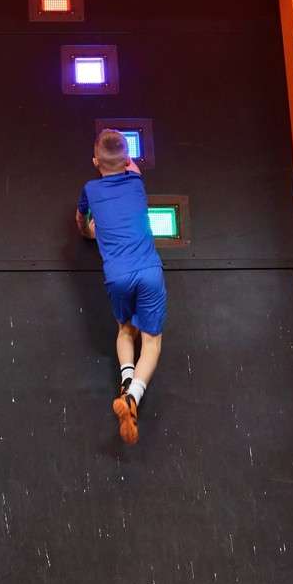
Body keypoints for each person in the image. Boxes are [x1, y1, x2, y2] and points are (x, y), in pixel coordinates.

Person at [75, 129, 167, 445]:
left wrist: (91, 231)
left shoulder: (89, 188)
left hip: (117, 275)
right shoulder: (136, 181)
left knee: (125, 330)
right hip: (149, 272)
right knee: (152, 342)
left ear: (94, 161)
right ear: (128, 160)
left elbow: (82, 224)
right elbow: (129, 166)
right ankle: (132, 398)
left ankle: (127, 383)